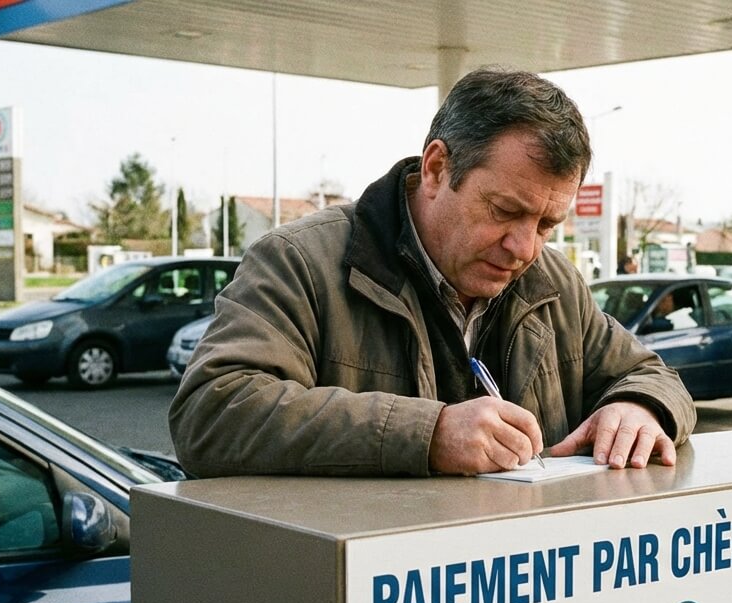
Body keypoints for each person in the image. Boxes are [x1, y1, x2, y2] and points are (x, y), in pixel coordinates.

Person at [169, 67, 696, 478]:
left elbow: (653, 375)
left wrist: (641, 408)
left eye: (547, 225)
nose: (525, 248)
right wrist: (429, 434)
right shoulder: (300, 263)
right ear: (437, 169)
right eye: (506, 211)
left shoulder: (554, 285)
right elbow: (212, 412)